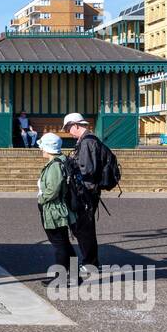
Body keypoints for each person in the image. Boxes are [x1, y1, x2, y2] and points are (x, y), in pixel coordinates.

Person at [61, 112, 103, 269]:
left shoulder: (86, 142)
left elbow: (87, 170)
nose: (67, 131)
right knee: (84, 227)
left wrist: (72, 166)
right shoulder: (88, 140)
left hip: (86, 192)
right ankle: (90, 261)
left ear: (76, 125)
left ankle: (90, 263)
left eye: (68, 128)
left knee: (84, 228)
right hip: (88, 191)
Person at [36, 132, 75, 275]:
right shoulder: (61, 161)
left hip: (54, 209)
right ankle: (74, 274)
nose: (41, 150)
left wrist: (41, 199)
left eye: (42, 147)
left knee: (59, 244)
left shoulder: (54, 166)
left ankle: (61, 277)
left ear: (47, 148)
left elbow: (52, 190)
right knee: (63, 242)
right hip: (59, 208)